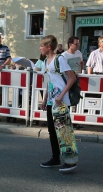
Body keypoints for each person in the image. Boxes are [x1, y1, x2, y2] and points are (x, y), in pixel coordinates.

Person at [39, 35, 77, 172]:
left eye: (42, 46)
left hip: (61, 101)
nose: (40, 48)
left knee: (64, 130)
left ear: (49, 47)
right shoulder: (45, 62)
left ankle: (71, 161)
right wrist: (44, 99)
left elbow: (72, 78)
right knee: (52, 131)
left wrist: (61, 95)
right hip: (51, 101)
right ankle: (55, 158)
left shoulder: (60, 59)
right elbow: (49, 82)